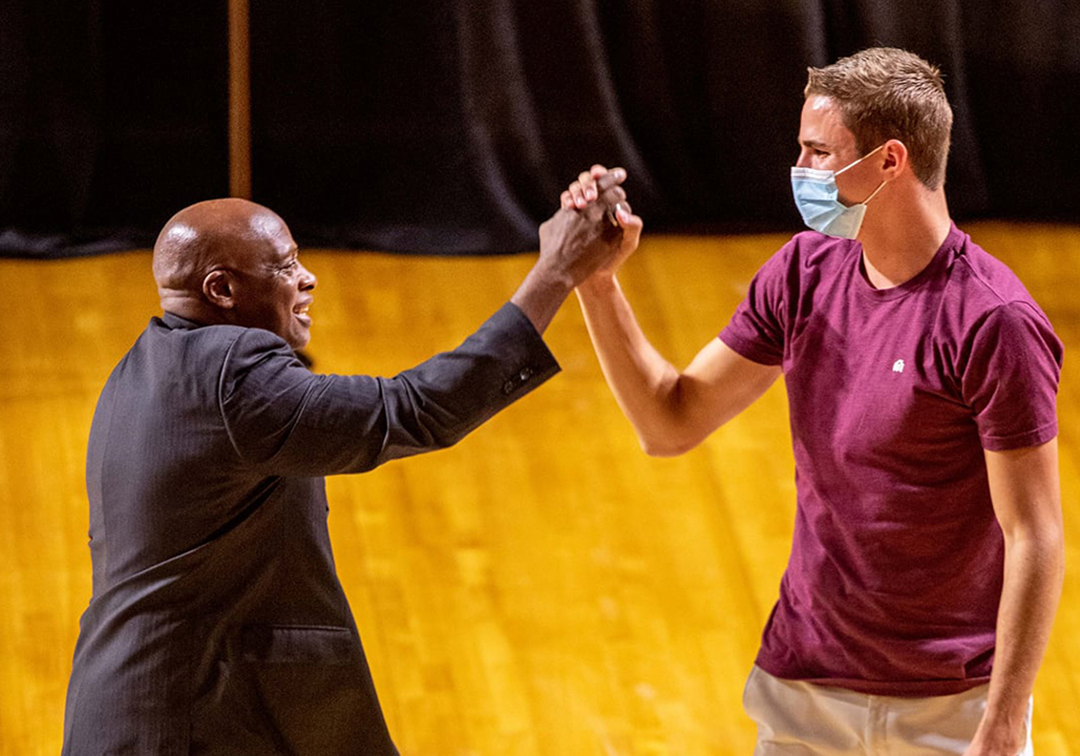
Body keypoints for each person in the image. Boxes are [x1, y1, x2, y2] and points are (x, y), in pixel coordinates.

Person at [566, 48, 1063, 755]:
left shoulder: (992, 322)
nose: (799, 170)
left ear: (890, 161)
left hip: (952, 710)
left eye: (815, 151)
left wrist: (1005, 719)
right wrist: (597, 283)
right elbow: (668, 422)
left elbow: (1035, 535)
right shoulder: (803, 275)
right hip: (806, 686)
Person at [61, 172, 630, 755]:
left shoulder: (140, 372)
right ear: (222, 290)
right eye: (284, 268)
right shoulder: (231, 376)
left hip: (140, 708)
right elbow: (417, 408)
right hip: (188, 721)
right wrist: (557, 270)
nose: (307, 278)